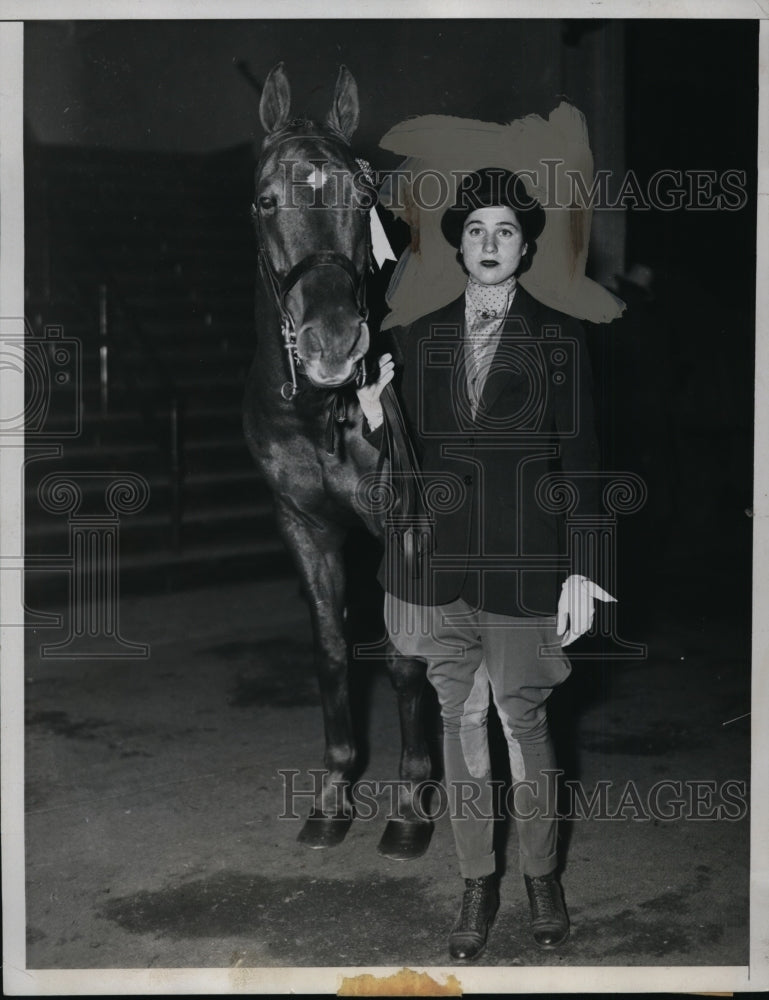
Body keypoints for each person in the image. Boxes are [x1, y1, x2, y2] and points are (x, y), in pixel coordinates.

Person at [357, 167, 615, 962]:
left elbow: (584, 462)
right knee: (460, 723)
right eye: (475, 230)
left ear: (525, 245)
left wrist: (583, 568)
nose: (490, 243)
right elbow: (404, 467)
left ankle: (540, 874)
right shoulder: (418, 335)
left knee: (522, 722)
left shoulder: (560, 338)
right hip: (440, 573)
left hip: (527, 568)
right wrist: (375, 417)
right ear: (459, 246)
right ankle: (476, 880)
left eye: (505, 230)